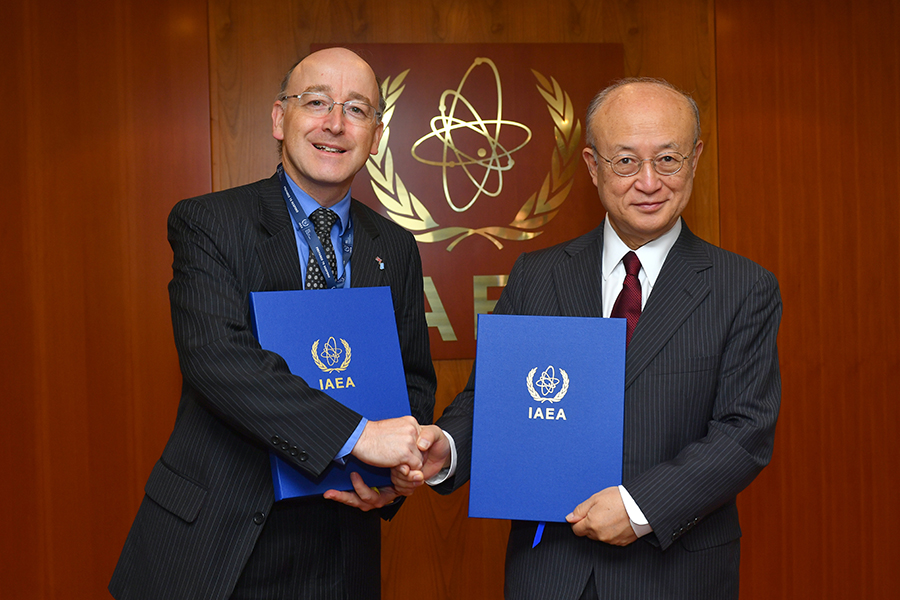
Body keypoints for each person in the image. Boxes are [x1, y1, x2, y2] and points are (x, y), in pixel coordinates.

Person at [395, 78, 782, 599]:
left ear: (695, 158)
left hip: (676, 576)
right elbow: (495, 400)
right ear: (593, 166)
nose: (649, 182)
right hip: (552, 571)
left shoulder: (742, 287)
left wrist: (641, 507)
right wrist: (448, 446)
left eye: (667, 159)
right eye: (625, 161)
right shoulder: (537, 275)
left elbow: (744, 432)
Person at [109, 47, 436, 599]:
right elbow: (218, 360)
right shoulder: (209, 222)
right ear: (280, 118)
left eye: (356, 109)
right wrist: (361, 437)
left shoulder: (396, 247)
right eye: (316, 103)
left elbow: (411, 380)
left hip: (340, 539)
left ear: (375, 136)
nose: (335, 123)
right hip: (219, 544)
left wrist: (398, 476)